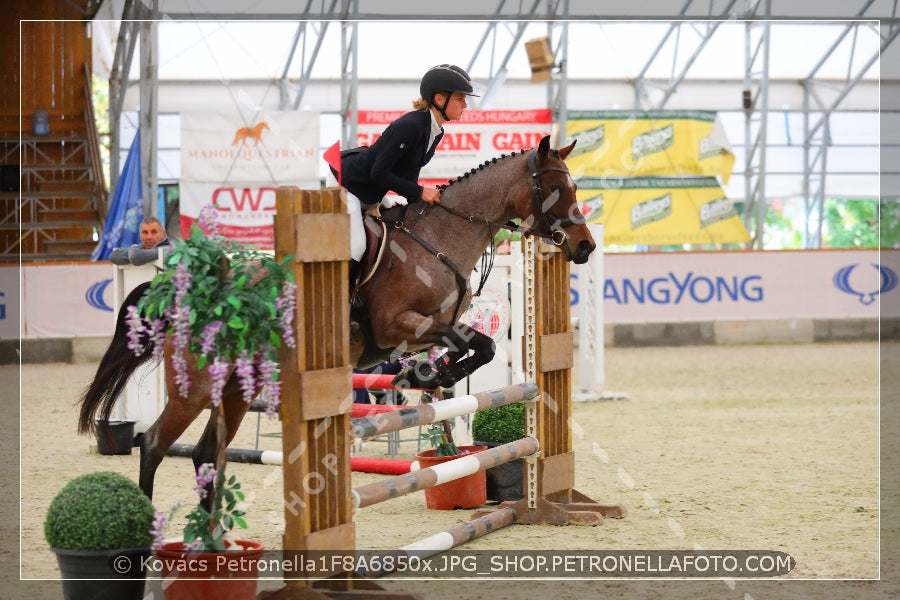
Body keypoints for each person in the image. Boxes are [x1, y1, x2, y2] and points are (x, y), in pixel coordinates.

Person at [326, 64, 479, 272]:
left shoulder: (436, 131)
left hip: (372, 192)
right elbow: (378, 173)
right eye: (460, 99)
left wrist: (424, 203)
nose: (465, 105)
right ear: (439, 99)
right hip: (347, 184)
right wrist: (420, 192)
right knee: (358, 246)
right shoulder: (411, 125)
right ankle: (344, 302)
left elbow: (408, 174)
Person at [109, 216, 173, 266]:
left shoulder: (169, 247)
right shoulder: (144, 248)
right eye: (145, 232)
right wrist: (138, 249)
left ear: (164, 233)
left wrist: (136, 249)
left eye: (154, 232)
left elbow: (135, 257)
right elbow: (114, 256)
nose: (149, 237)